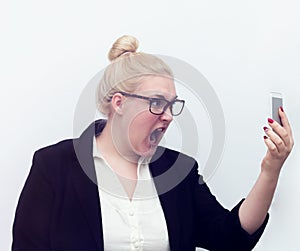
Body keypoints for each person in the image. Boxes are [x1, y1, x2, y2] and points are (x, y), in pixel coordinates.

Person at [12, 35, 294, 251]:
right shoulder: (55, 166)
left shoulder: (179, 170)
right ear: (119, 103)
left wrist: (271, 169)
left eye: (172, 105)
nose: (169, 117)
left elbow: (230, 238)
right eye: (157, 103)